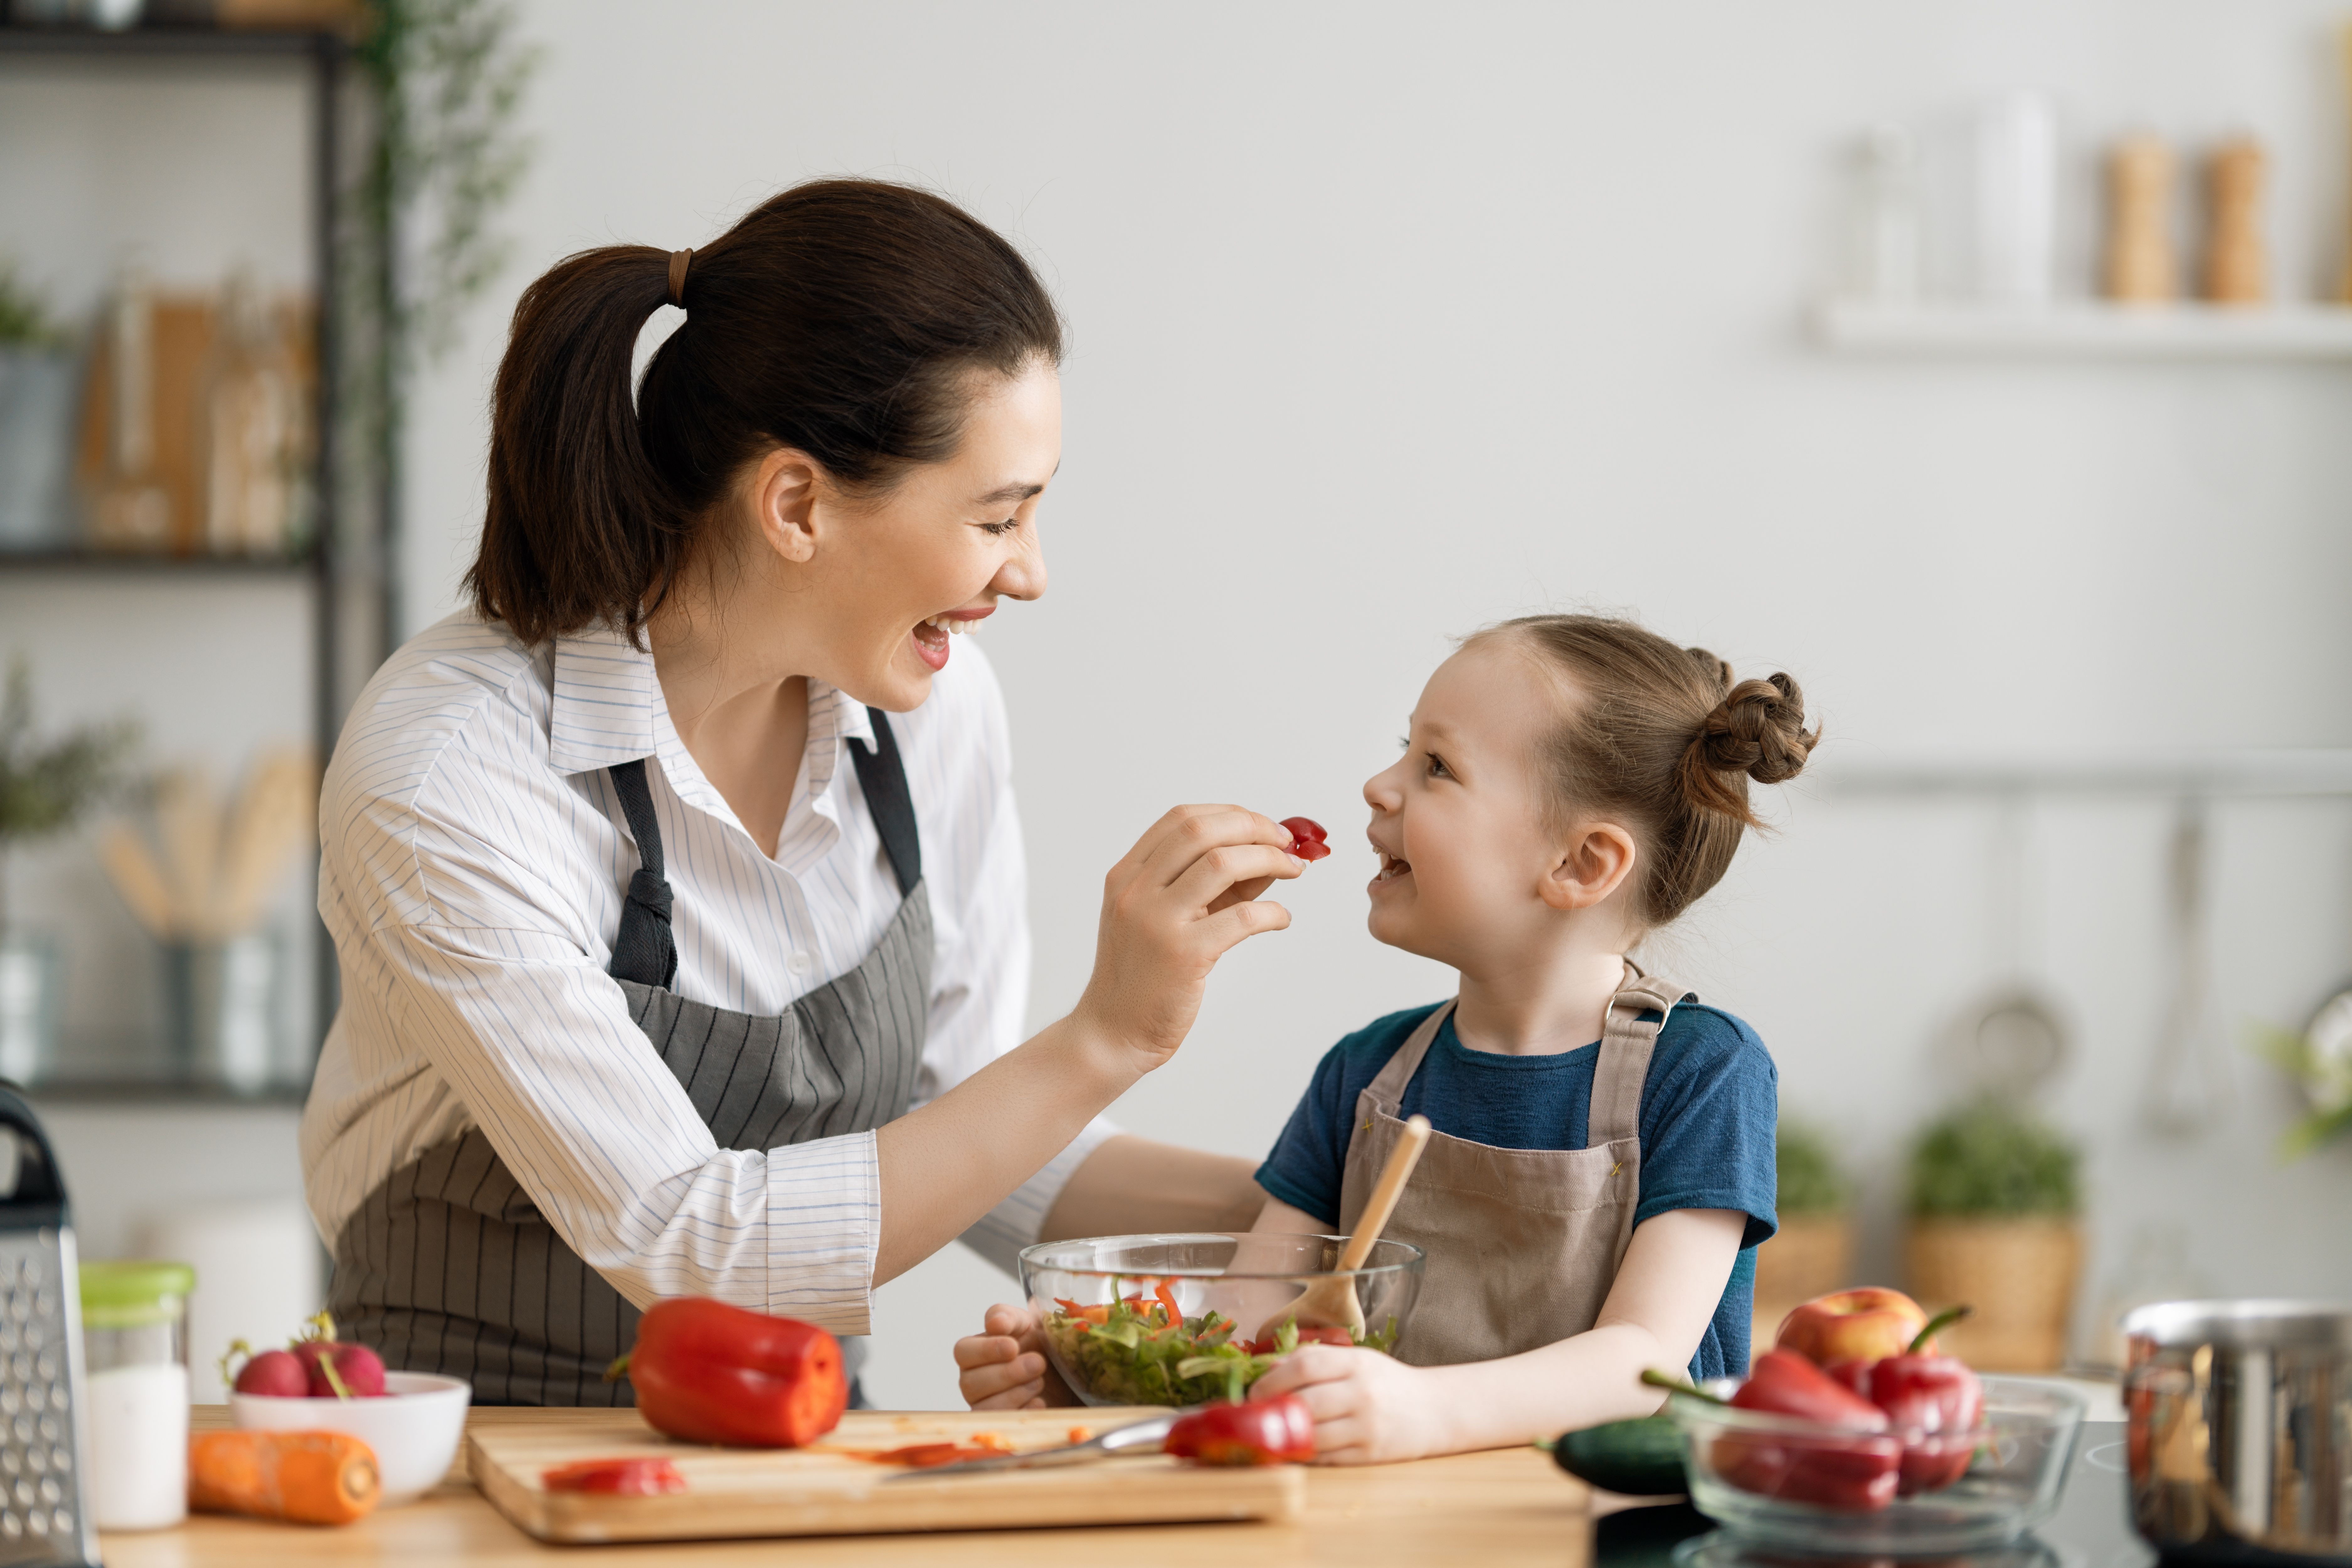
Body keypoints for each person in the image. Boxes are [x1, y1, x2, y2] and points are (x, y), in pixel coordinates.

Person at [299, 179, 1298, 1404]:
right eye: (998, 516)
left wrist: (1316, 1186)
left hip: (801, 1444)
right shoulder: (455, 772)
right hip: (474, 1463)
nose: (1032, 573)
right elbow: (696, 1241)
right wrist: (1110, 1036)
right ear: (797, 504)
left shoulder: (934, 713)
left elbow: (973, 1131)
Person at [955, 614, 1814, 1460]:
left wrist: (1426, 1413)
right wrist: (1092, 1376)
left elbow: (1642, 1362)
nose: (1379, 784)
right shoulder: (1366, 1075)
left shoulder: (1702, 1071)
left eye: (1435, 766)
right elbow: (1248, 1336)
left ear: (1580, 865)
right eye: (1404, 749)